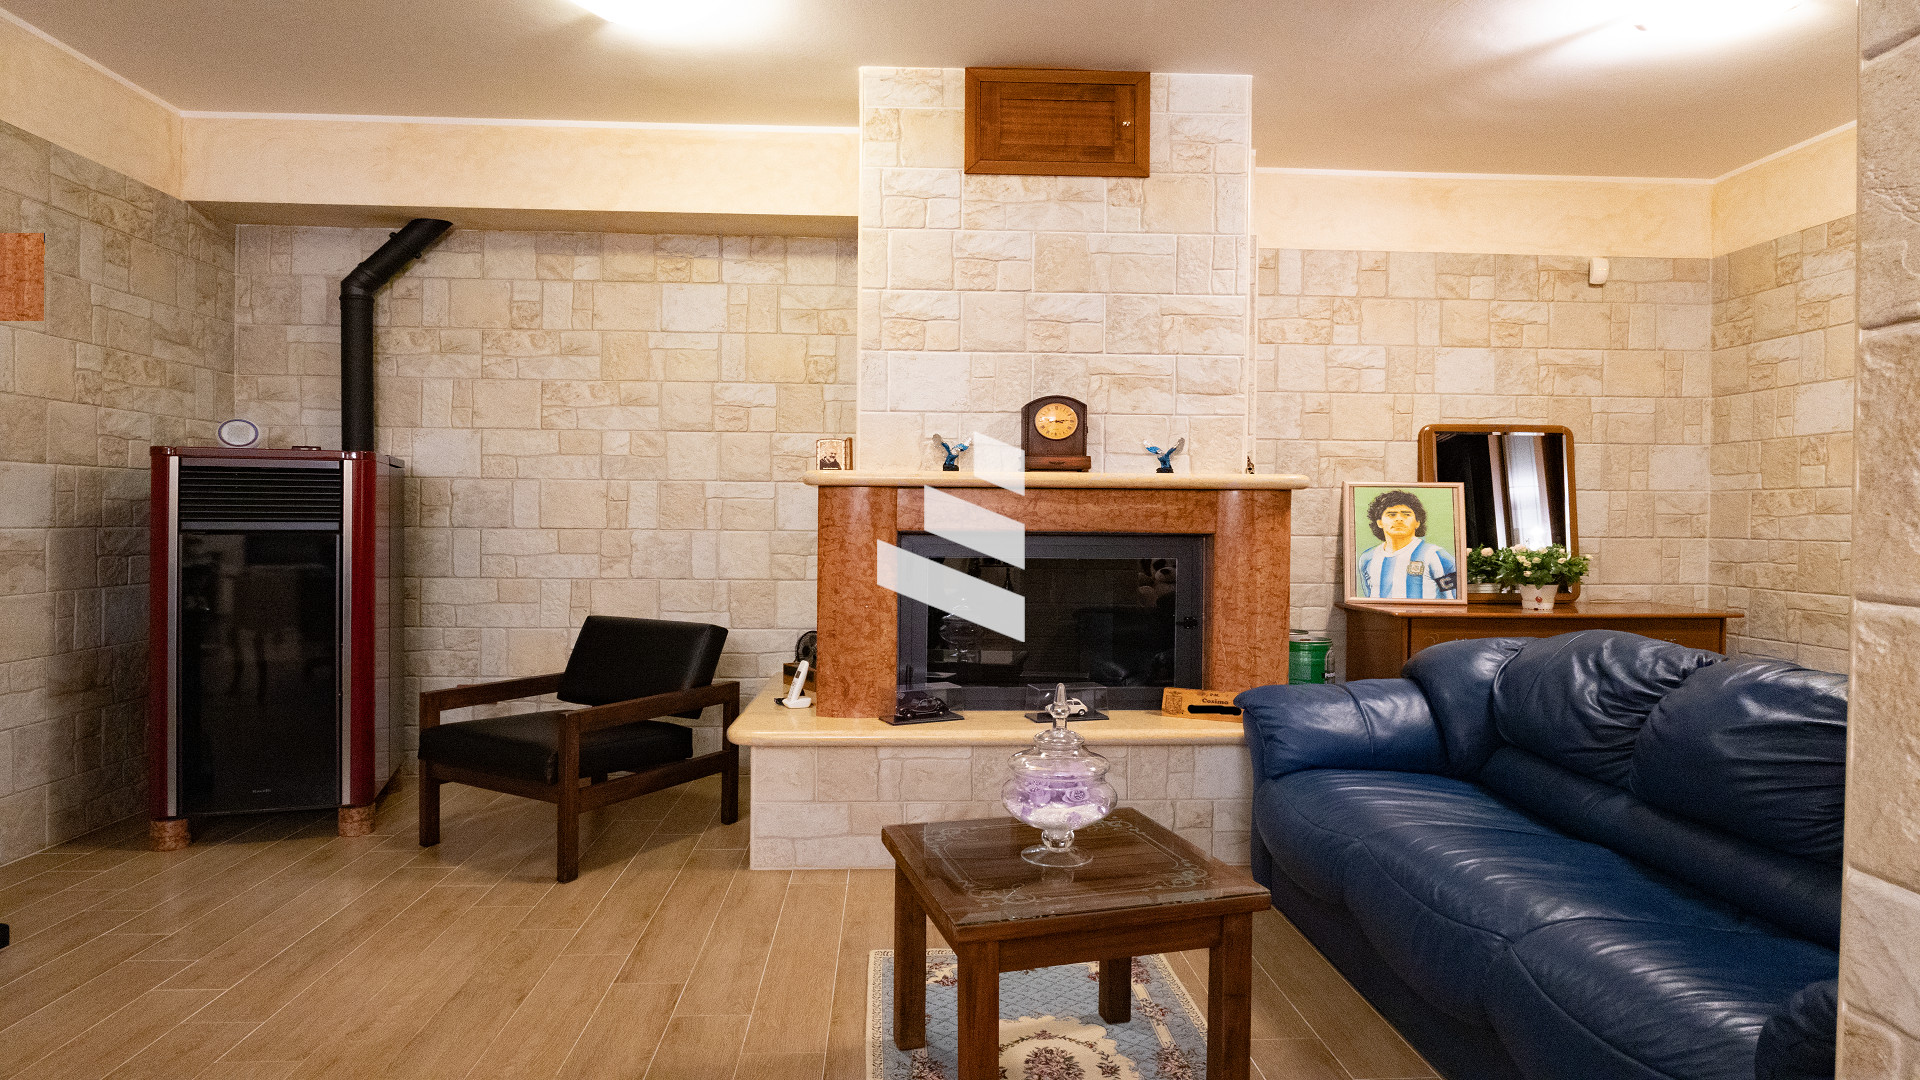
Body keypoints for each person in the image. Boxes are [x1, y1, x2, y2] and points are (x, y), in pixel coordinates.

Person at [1355, 489, 1458, 600]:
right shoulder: (1367, 558)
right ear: (1379, 522)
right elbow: (1369, 597)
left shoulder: (1435, 555)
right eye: (1391, 514)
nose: (1399, 519)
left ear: (1417, 522)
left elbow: (1453, 599)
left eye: (1406, 514)